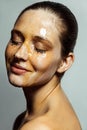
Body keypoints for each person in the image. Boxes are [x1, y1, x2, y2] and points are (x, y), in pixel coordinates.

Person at [5, 1, 82, 130]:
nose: (20, 54)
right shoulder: (30, 118)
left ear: (64, 62)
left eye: (39, 48)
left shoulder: (39, 127)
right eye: (15, 40)